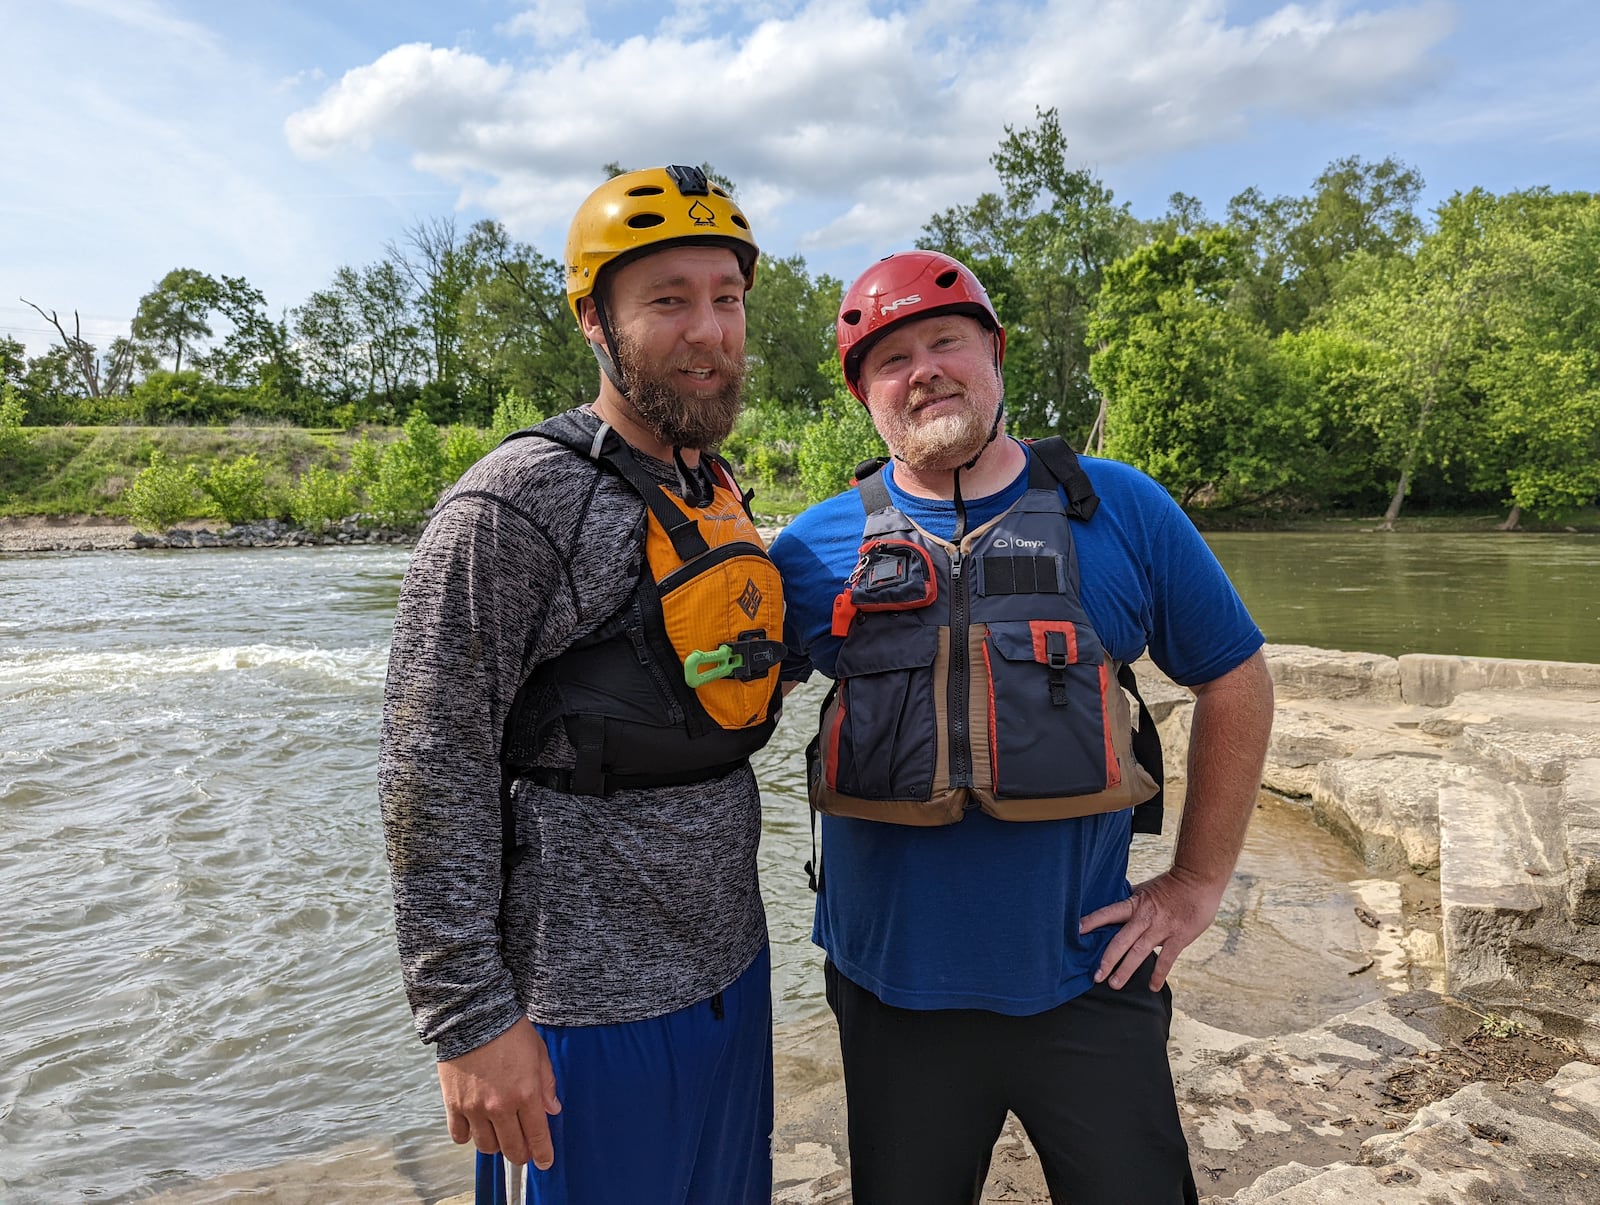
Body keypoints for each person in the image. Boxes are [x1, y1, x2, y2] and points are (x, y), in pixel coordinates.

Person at [767, 249, 1275, 1205]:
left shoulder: (1122, 507)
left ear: (996, 353)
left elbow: (1236, 677)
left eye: (946, 340)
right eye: (890, 358)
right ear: (862, 393)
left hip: (1089, 977)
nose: (924, 370)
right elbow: (715, 718)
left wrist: (1197, 883)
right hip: (891, 995)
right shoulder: (811, 551)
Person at [379, 164, 782, 1204]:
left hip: (732, 976)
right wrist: (469, 1018)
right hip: (577, 1018)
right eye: (667, 301)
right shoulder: (512, 506)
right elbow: (430, 767)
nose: (708, 331)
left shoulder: (711, 486)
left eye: (725, 299)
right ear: (594, 320)